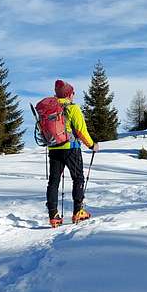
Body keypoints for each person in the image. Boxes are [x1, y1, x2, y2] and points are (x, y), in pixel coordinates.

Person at [47, 79, 99, 227]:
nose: (73, 95)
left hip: (54, 148)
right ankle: (78, 211)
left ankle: (53, 216)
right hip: (71, 148)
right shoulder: (72, 108)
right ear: (69, 94)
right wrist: (91, 145)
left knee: (53, 182)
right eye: (72, 93)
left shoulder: (51, 109)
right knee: (78, 178)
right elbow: (82, 131)